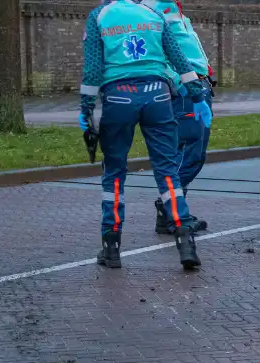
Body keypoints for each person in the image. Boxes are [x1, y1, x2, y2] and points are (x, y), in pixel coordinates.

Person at [80, 0, 211, 270]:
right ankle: (185, 241)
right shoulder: (152, 14)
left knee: (114, 171)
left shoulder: (99, 17)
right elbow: (178, 58)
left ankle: (111, 246)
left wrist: (86, 109)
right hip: (158, 96)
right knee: (166, 170)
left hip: (119, 98)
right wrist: (197, 95)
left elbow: (92, 70)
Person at [140, 0, 212, 236]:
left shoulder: (173, 8)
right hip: (186, 90)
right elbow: (157, 54)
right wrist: (180, 83)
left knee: (188, 153)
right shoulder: (154, 8)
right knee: (191, 154)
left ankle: (172, 215)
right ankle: (169, 206)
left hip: (198, 86)